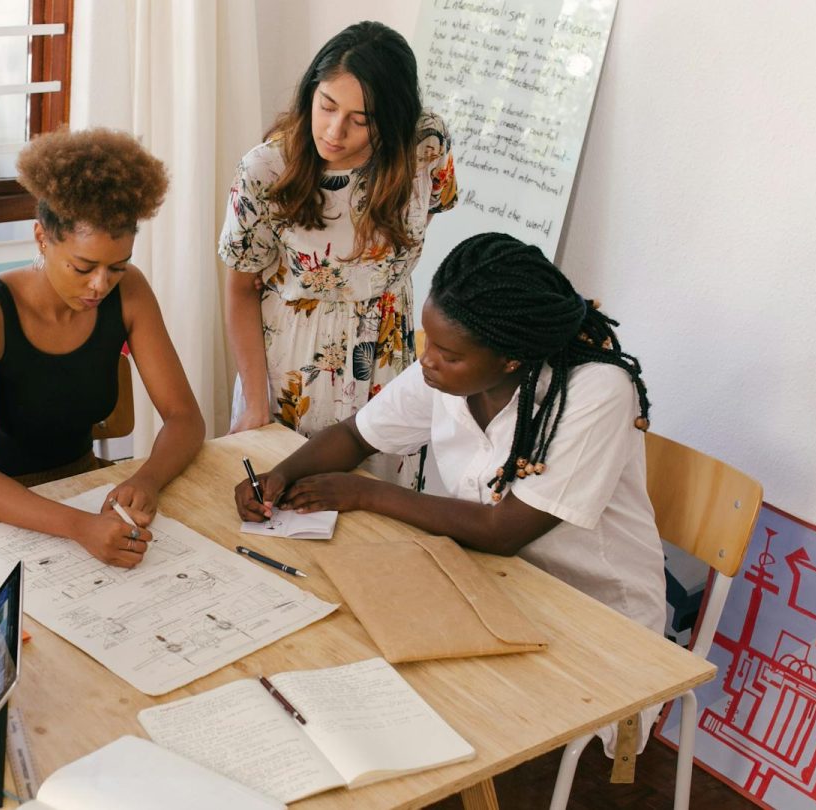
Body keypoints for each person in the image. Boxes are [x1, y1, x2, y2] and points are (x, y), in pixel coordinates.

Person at [235, 233, 668, 749]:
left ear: (509, 359)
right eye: (428, 341)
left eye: (447, 353)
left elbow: (503, 529)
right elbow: (355, 435)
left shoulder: (594, 393)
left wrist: (365, 493)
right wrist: (279, 475)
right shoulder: (447, 373)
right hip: (491, 582)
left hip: (592, 615)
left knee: (417, 705)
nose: (428, 360)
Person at [0, 129, 206, 569]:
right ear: (42, 238)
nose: (100, 285)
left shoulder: (130, 293)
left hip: (81, 489)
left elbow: (185, 418)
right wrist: (80, 527)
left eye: (116, 267)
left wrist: (148, 479)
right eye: (83, 267)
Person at [220, 20, 458, 487]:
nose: (333, 130)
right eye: (326, 105)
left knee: (381, 517)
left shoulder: (425, 146)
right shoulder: (267, 169)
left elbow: (424, 218)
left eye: (361, 119)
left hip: (388, 359)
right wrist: (254, 402)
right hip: (293, 366)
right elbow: (239, 288)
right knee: (283, 506)